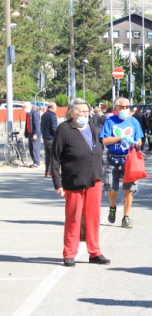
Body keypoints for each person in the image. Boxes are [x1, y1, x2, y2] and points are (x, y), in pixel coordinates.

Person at [51, 98, 110, 267]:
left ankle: (95, 251)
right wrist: (57, 183)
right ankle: (69, 253)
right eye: (82, 111)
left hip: (94, 178)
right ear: (72, 112)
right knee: (74, 217)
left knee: (93, 217)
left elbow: (98, 145)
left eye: (87, 111)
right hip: (73, 179)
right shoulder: (64, 129)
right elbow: (55, 159)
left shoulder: (91, 125)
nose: (85, 114)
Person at [100, 97, 144, 229]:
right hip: (113, 158)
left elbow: (140, 140)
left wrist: (136, 142)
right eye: (122, 107)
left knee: (129, 190)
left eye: (127, 107)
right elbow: (104, 140)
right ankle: (112, 206)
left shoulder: (134, 121)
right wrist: (120, 138)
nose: (125, 109)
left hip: (129, 159)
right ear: (116, 108)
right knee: (112, 189)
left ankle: (126, 217)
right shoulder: (110, 121)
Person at [41, 102, 58, 178]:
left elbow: (42, 127)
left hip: (45, 137)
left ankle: (46, 171)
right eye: (55, 107)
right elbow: (54, 128)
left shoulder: (44, 115)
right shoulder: (52, 116)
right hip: (51, 138)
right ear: (52, 107)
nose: (56, 108)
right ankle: (52, 171)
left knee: (47, 156)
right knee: (53, 155)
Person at [23, 102, 41, 168]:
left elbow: (37, 125)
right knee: (31, 148)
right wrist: (26, 132)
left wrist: (35, 134)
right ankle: (34, 161)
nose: (23, 109)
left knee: (35, 148)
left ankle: (37, 162)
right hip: (30, 133)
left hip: (34, 134)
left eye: (24, 107)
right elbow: (27, 123)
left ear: (29, 107)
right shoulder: (28, 114)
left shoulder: (34, 114)